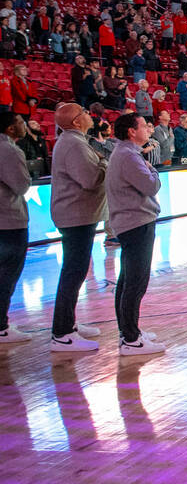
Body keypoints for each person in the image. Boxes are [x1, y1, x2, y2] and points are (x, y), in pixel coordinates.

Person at [48, 103, 107, 351]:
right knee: (74, 272)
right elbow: (90, 178)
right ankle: (62, 333)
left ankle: (68, 323)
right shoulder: (73, 143)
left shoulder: (75, 141)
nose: (88, 115)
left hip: (78, 215)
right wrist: (106, 164)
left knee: (76, 271)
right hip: (75, 215)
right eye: (83, 112)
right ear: (75, 121)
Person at [106, 112, 164, 355]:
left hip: (132, 221)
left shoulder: (126, 154)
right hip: (136, 221)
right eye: (143, 126)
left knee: (128, 279)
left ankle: (129, 332)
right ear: (131, 131)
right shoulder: (128, 156)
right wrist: (153, 171)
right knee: (135, 281)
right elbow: (150, 185)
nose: (148, 129)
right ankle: (130, 338)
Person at [0, 112, 31, 343]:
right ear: (11, 128)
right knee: (7, 274)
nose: (25, 125)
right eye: (20, 122)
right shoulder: (9, 150)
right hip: (9, 219)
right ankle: (1, 326)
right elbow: (21, 185)